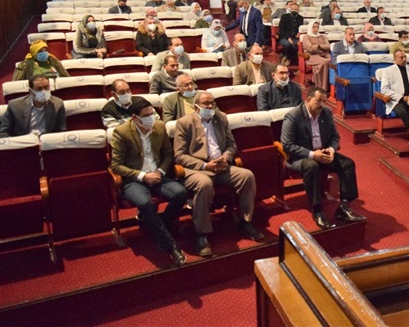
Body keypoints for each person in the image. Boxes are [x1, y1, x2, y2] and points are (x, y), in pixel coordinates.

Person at [174, 91, 264, 256]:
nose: (210, 106)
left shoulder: (221, 118)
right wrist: (205, 165)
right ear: (196, 106)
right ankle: (201, 233)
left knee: (247, 176)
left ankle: (245, 221)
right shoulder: (184, 122)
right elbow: (179, 155)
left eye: (212, 103)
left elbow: (231, 144)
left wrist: (226, 157)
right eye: (206, 104)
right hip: (198, 169)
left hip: (220, 166)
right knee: (204, 184)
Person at [110, 97, 187, 267]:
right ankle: (170, 245)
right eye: (146, 115)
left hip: (158, 174)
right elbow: (116, 165)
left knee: (181, 193)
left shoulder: (159, 126)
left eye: (152, 113)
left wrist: (159, 172)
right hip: (134, 179)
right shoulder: (122, 132)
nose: (151, 118)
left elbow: (168, 155)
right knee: (146, 203)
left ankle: (160, 224)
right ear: (135, 117)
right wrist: (142, 176)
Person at [280, 87, 365, 229]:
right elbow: (287, 145)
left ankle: (344, 206)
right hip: (300, 157)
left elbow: (335, 137)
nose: (322, 105)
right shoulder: (293, 116)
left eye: (324, 101)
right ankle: (317, 210)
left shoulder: (326, 112)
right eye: (319, 101)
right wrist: (313, 155)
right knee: (311, 166)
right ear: (308, 100)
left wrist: (331, 150)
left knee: (348, 164)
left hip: (323, 153)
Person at [0, 74, 66, 137]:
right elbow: (3, 133)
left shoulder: (58, 104)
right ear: (30, 91)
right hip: (24, 141)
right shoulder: (15, 106)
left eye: (46, 87)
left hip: (46, 141)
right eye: (39, 89)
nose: (44, 91)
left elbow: (61, 131)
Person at [380, 50, 409, 129]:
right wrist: (402, 98)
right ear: (395, 59)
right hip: (396, 100)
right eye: (401, 58)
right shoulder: (387, 71)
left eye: (405, 57)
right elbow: (384, 89)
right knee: (402, 111)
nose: (404, 59)